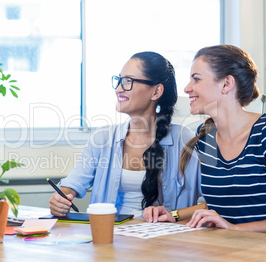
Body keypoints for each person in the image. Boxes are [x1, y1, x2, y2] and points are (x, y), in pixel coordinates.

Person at [145, 44, 266, 234]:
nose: (187, 88)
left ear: (226, 84)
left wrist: (234, 228)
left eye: (196, 79)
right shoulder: (206, 137)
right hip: (226, 251)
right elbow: (218, 203)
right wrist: (173, 214)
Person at [49, 51, 201, 219]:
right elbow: (71, 186)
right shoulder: (102, 139)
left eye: (128, 81)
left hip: (164, 240)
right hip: (110, 235)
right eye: (119, 80)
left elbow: (214, 201)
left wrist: (175, 215)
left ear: (156, 92)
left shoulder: (183, 139)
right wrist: (60, 199)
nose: (118, 89)